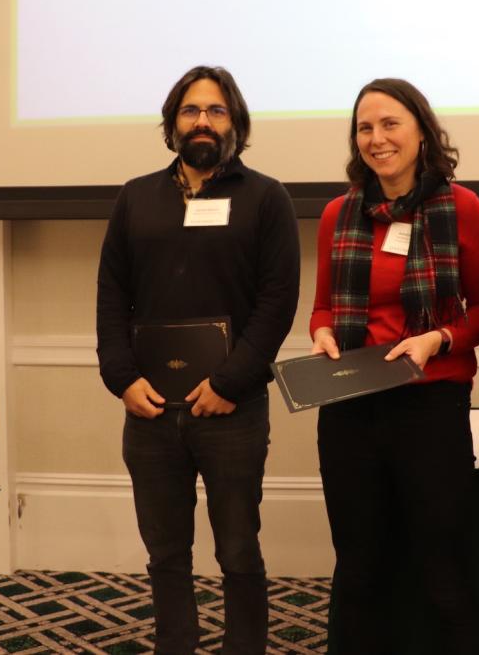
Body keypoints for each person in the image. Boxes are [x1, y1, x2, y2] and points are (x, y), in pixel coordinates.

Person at [96, 65, 300, 655]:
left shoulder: (266, 198)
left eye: (215, 111)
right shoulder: (136, 197)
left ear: (234, 122)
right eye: (191, 111)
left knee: (238, 549)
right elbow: (113, 294)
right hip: (150, 407)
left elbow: (276, 302)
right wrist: (122, 378)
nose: (203, 121)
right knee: (165, 553)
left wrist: (233, 381)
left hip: (231, 408)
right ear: (173, 122)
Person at [309, 78, 479, 655]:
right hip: (349, 409)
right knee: (359, 569)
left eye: (390, 124)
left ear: (421, 130)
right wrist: (321, 332)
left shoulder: (460, 209)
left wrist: (438, 338)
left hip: (429, 406)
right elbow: (322, 306)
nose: (377, 138)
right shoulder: (338, 214)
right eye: (365, 127)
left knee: (441, 568)